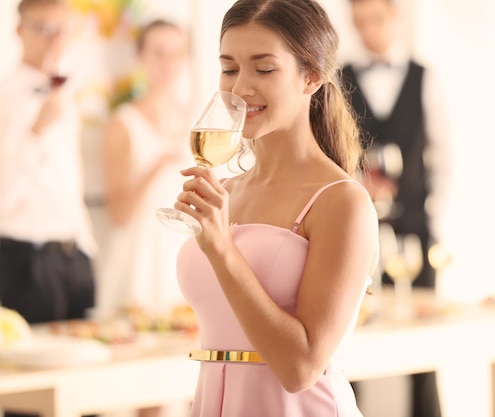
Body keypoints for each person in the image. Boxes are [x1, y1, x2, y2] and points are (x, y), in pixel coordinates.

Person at [173, 0, 379, 415]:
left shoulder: (342, 202)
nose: (240, 87)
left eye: (263, 69)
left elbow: (301, 367)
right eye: (229, 68)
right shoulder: (227, 189)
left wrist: (222, 250)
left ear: (312, 77)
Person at [340, 0, 450, 416]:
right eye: (360, 22)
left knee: (425, 340)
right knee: (350, 336)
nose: (368, 29)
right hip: (357, 232)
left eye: (376, 19)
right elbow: (333, 153)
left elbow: (446, 152)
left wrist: (432, 211)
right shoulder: (340, 79)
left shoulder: (425, 77)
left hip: (416, 231)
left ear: (395, 18)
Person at [0, 1, 96, 416]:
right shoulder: (5, 96)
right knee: (29, 395)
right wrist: (36, 130)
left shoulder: (66, 91)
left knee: (86, 389)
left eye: (63, 30)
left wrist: (87, 245)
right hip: (23, 260)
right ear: (19, 31)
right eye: (44, 28)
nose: (55, 40)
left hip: (73, 256)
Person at [97, 18, 192, 417]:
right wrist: (156, 166)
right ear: (141, 58)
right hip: (138, 270)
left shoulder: (197, 123)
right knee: (138, 393)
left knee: (184, 387)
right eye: (158, 53)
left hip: (182, 269)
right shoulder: (123, 123)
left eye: (176, 53)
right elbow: (117, 213)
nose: (167, 63)